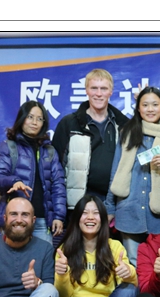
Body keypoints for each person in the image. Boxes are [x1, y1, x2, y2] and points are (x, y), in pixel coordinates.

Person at [48, 194, 149, 297]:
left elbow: (129, 291)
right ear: (77, 219)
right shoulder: (65, 250)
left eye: (95, 213)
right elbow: (63, 296)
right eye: (85, 213)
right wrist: (61, 275)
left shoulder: (114, 246)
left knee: (129, 289)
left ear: (102, 219)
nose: (90, 217)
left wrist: (128, 273)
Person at [105, 86, 160, 266]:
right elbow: (115, 172)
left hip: (158, 215)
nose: (150, 109)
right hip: (129, 210)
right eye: (145, 105)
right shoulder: (127, 133)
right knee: (133, 264)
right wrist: (110, 207)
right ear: (138, 108)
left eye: (155, 104)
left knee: (159, 264)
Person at [0, 100, 66, 244]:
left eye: (39, 119)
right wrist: (14, 181)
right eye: (30, 117)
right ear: (22, 118)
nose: (34, 122)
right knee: (11, 259)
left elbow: (58, 186)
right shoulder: (8, 147)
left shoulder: (49, 151)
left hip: (42, 222)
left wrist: (58, 216)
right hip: (15, 221)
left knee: (42, 259)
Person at [52, 69, 129, 210]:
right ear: (86, 90)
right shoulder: (69, 124)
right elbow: (55, 168)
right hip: (77, 204)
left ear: (111, 92)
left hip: (115, 205)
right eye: (94, 88)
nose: (98, 94)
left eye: (103, 89)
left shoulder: (124, 126)